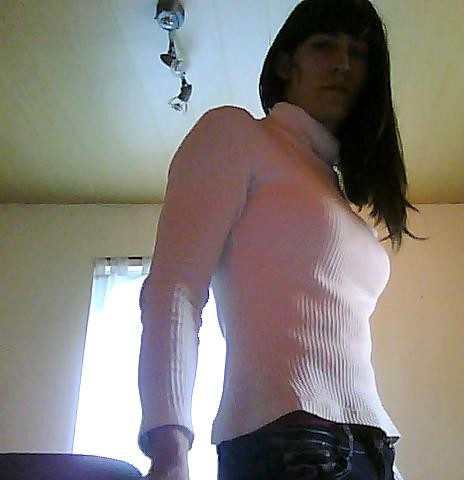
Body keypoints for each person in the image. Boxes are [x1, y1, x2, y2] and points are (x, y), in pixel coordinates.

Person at [137, 0, 421, 478]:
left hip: (374, 450)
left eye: (358, 53)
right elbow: (175, 285)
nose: (343, 64)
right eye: (324, 46)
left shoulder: (336, 194)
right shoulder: (237, 134)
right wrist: (169, 446)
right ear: (287, 63)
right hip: (289, 443)